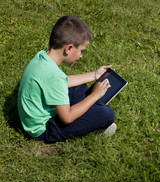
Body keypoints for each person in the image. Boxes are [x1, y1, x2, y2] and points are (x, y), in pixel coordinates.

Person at [18, 15, 117, 143]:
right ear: (69, 48)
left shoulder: (44, 56)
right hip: (44, 130)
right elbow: (67, 118)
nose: (81, 56)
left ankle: (89, 111)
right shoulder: (53, 76)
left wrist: (94, 75)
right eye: (82, 51)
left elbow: (62, 82)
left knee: (80, 86)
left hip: (34, 117)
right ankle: (93, 126)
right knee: (107, 114)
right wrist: (94, 96)